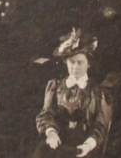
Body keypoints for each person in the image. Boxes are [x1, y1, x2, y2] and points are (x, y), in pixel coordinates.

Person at [32, 29, 111, 158]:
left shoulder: (97, 92)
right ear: (66, 62)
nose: (75, 67)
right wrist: (51, 132)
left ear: (89, 63)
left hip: (84, 145)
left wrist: (88, 145)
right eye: (71, 62)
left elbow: (100, 125)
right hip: (57, 142)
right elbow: (46, 114)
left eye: (80, 62)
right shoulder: (55, 86)